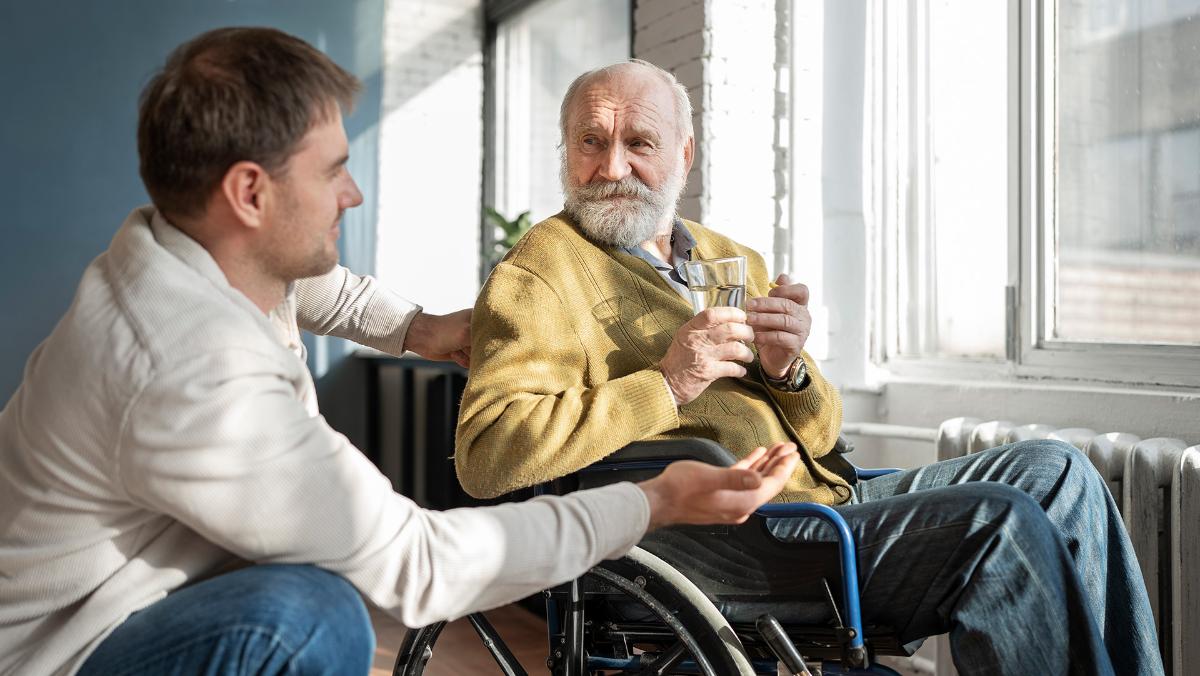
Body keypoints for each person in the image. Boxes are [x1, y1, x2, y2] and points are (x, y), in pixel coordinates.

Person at [0, 29, 803, 676]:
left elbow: (326, 291)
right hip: (64, 653)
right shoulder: (193, 368)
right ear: (250, 194)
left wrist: (426, 331)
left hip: (113, 602)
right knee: (309, 617)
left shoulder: (179, 249)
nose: (353, 193)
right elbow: (421, 564)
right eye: (335, 170)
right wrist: (654, 502)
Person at [454, 59, 1164, 675]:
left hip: (822, 504)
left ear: (684, 155)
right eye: (590, 142)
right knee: (1000, 521)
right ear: (565, 151)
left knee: (1058, 468)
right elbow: (486, 457)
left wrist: (786, 368)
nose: (611, 168)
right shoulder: (541, 269)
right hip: (731, 545)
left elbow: (823, 440)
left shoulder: (724, 254)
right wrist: (668, 383)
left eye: (638, 143)